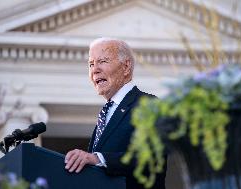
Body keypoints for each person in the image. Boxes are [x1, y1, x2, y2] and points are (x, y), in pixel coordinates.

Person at [64, 38, 166, 189]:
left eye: (103, 61)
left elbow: (150, 159)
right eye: (91, 64)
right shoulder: (106, 113)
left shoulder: (148, 104)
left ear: (126, 67)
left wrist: (97, 158)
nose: (95, 70)